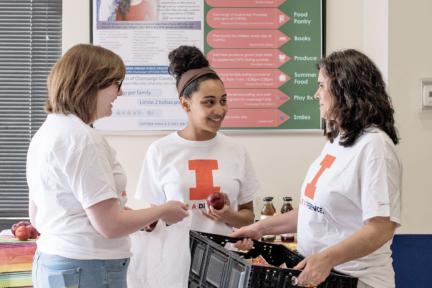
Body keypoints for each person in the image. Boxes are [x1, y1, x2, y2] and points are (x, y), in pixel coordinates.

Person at [231, 49, 402, 288]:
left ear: (345, 88)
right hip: (322, 277)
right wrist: (259, 228)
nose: (316, 95)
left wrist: (327, 258)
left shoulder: (374, 146)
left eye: (321, 86)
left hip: (356, 280)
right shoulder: (338, 141)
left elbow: (381, 227)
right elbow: (314, 212)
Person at [26, 44, 189, 288]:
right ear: (92, 84)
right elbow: (110, 226)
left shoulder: (47, 132)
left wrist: (132, 216)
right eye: (116, 84)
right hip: (87, 269)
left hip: (55, 263)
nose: (120, 94)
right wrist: (163, 210)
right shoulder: (83, 140)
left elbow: (38, 217)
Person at [127, 45, 259, 288]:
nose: (219, 110)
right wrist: (150, 220)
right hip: (174, 268)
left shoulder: (236, 151)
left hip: (225, 267)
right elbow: (155, 220)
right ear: (185, 105)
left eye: (223, 100)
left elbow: (249, 218)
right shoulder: (160, 151)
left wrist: (229, 216)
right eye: (209, 102)